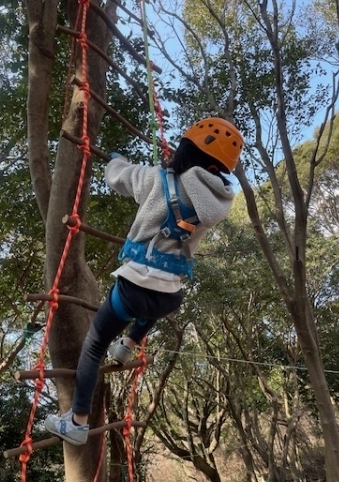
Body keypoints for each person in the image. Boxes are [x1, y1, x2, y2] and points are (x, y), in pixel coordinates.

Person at [44, 117, 244, 445]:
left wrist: (116, 159)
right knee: (157, 297)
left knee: (94, 345)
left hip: (133, 289)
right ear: (218, 169)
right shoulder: (217, 205)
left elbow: (117, 177)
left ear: (185, 150)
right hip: (170, 296)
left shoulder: (156, 180)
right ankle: (129, 344)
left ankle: (77, 422)